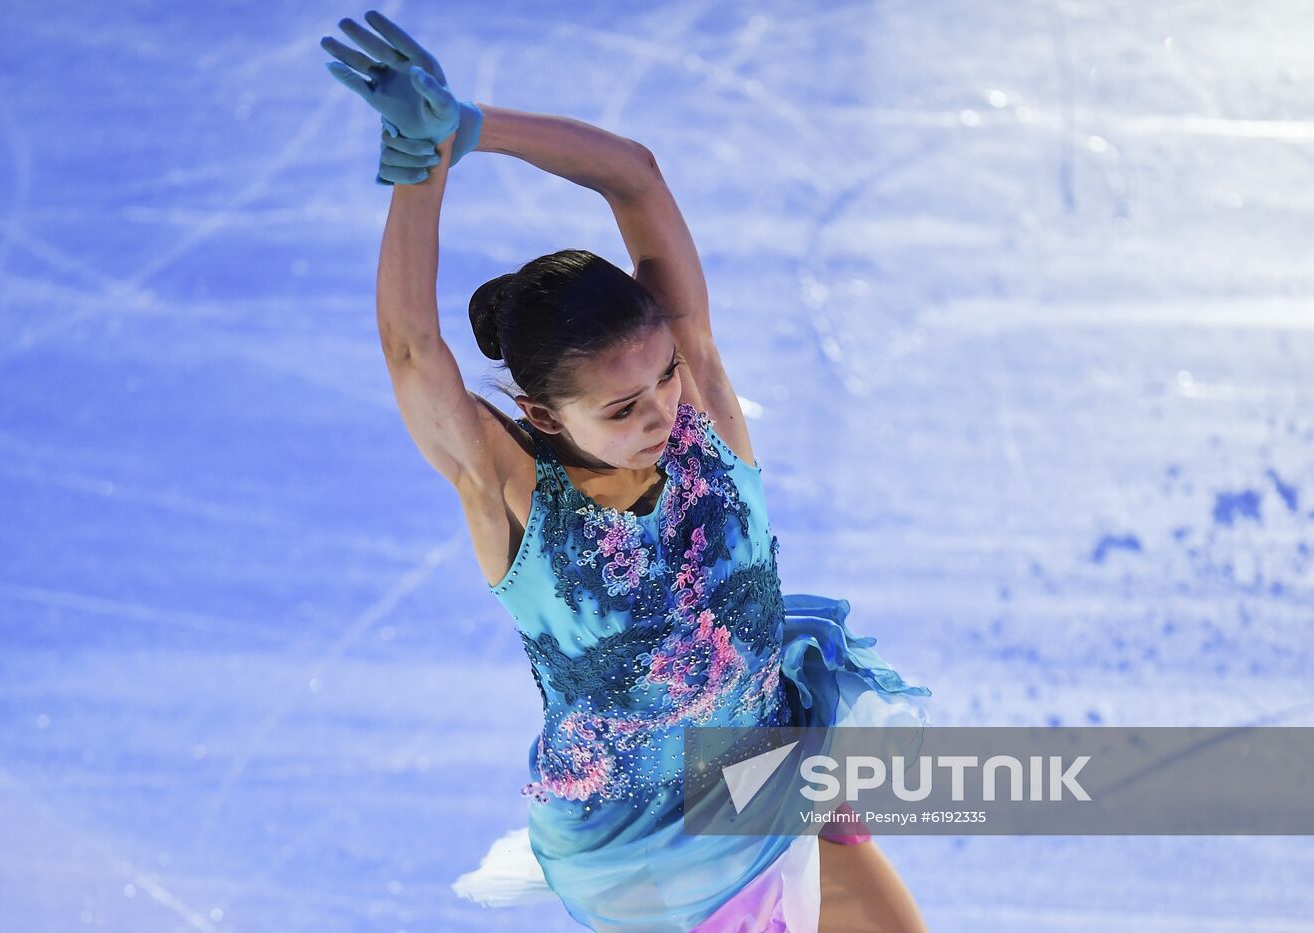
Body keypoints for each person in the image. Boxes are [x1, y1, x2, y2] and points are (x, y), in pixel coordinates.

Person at [321, 12, 934, 931]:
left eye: (664, 376)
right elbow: (413, 352)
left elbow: (634, 176)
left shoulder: (704, 413)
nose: (661, 414)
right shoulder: (515, 498)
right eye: (620, 408)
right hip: (642, 857)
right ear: (539, 414)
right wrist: (420, 174)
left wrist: (470, 128)